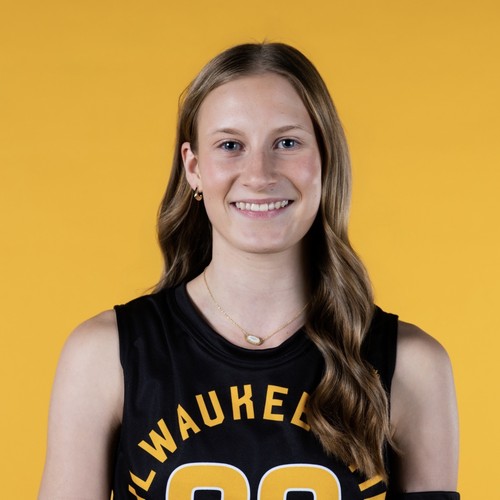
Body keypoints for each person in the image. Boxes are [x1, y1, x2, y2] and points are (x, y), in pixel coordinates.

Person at [39, 43, 459, 499]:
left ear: (325, 159)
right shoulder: (105, 357)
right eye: (230, 146)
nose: (259, 175)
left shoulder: (411, 366)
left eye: (287, 143)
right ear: (194, 168)